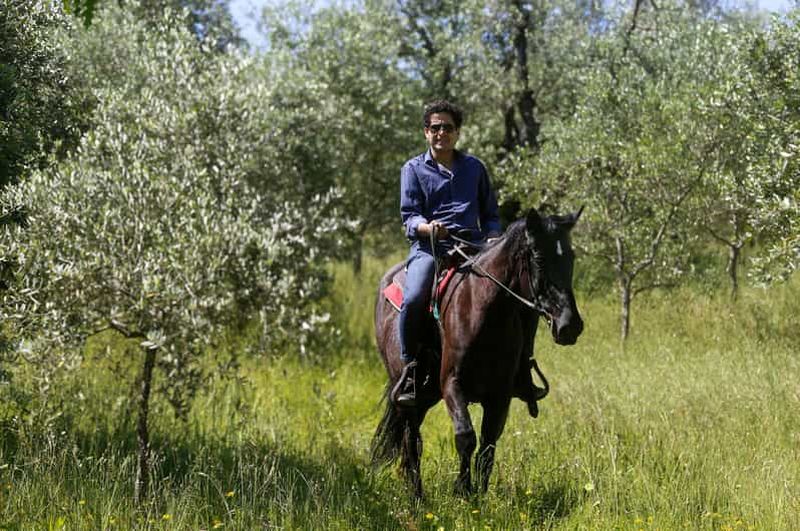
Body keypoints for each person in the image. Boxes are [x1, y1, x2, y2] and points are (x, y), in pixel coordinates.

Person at [395, 100, 545, 408]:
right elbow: (409, 216)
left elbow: (490, 214)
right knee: (413, 298)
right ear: (426, 132)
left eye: (447, 128)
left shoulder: (474, 168)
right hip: (431, 248)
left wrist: (493, 236)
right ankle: (411, 368)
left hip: (474, 247)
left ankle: (522, 369)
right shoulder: (412, 169)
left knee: (523, 295)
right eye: (435, 127)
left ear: (457, 133)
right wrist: (427, 227)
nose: (441, 133)